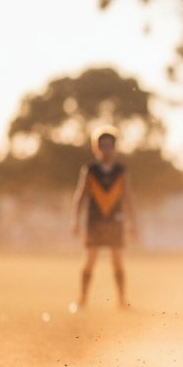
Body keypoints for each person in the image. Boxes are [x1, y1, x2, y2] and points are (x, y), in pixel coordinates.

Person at [71, 126, 137, 312]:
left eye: (109, 145)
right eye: (102, 145)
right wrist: (75, 220)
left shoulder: (121, 170)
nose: (106, 149)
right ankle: (82, 300)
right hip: (94, 220)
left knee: (117, 260)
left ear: (115, 147)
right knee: (90, 260)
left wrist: (133, 223)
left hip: (115, 220)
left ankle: (122, 301)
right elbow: (80, 196)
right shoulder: (90, 170)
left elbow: (128, 197)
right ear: (96, 148)